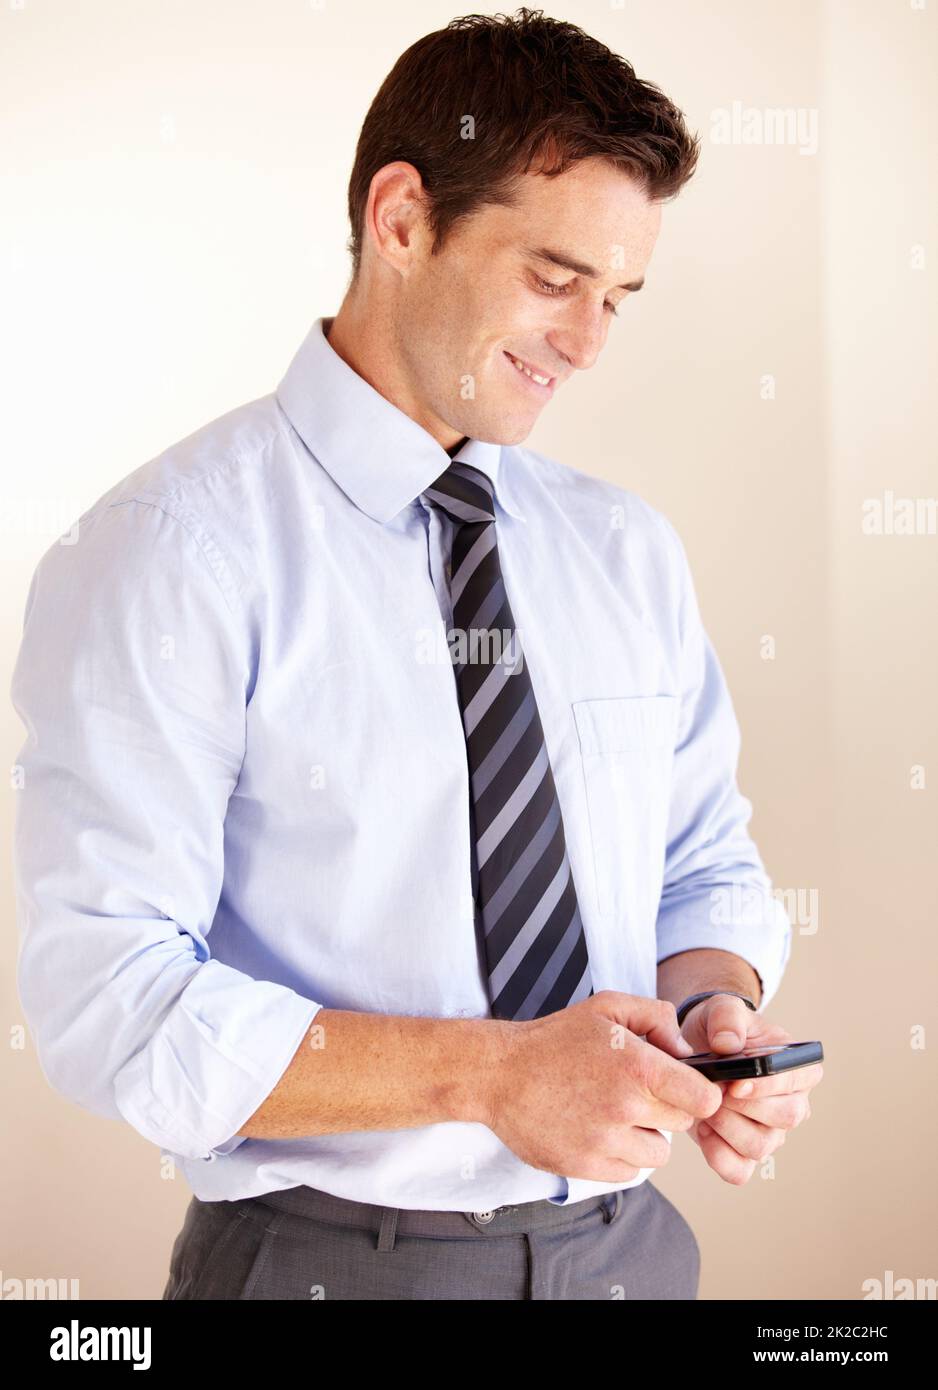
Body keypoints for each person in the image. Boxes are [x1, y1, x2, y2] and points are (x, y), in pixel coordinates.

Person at [10, 8, 822, 1301]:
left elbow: (701, 860)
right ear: (401, 219)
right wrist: (491, 1074)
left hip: (631, 1253)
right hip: (334, 1264)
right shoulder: (167, 552)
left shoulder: (623, 551)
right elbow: (114, 1000)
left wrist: (711, 1008)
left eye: (616, 297)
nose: (587, 343)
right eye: (553, 277)